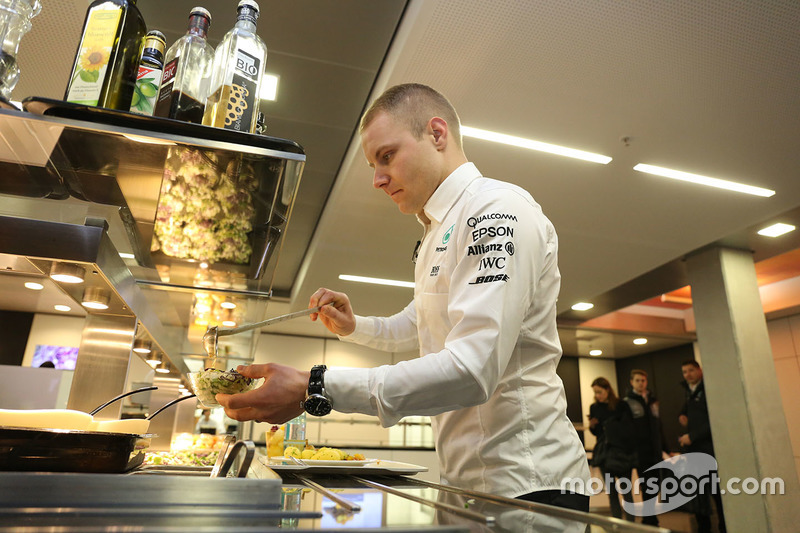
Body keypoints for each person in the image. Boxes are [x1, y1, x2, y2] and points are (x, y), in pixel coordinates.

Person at [216, 83, 591, 511]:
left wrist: (314, 385)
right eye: (373, 164)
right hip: (469, 482)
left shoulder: (496, 210)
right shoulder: (435, 230)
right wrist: (356, 327)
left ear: (436, 134)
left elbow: (473, 369)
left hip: (528, 482)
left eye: (386, 156)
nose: (376, 179)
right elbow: (421, 321)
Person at [679, 359, 726, 533]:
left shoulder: (707, 389)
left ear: (699, 370)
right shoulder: (689, 391)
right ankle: (703, 527)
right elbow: (689, 409)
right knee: (697, 493)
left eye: (691, 370)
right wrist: (682, 415)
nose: (687, 374)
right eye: (684, 372)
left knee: (716, 492)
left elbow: (713, 419)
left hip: (708, 450)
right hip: (694, 452)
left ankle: (724, 526)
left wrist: (692, 436)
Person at [623, 369, 670, 526]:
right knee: (646, 484)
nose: (640, 383)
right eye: (637, 380)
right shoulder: (628, 402)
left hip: (655, 450)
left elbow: (659, 425)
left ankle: (650, 516)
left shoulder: (653, 401)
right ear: (631, 382)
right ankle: (649, 518)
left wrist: (665, 448)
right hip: (641, 451)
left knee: (654, 484)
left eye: (643, 380)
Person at [588, 377, 635, 521]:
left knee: (626, 490)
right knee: (612, 491)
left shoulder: (621, 405)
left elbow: (628, 428)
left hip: (621, 451)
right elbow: (597, 433)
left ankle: (630, 523)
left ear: (607, 390)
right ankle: (616, 522)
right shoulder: (594, 408)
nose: (597, 396)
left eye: (600, 392)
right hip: (605, 453)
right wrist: (593, 426)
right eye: (595, 393)